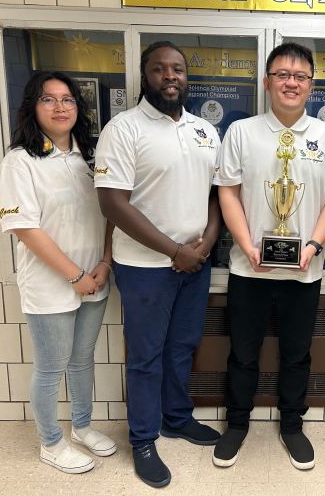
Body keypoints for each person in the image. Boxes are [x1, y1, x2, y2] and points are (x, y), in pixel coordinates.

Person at [212, 42, 325, 470]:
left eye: (300, 76)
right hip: (248, 268)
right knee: (242, 351)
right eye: (282, 75)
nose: (291, 82)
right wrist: (247, 246)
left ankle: (292, 425)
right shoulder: (241, 131)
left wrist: (312, 245)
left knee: (297, 353)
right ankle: (236, 423)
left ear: (311, 84)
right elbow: (228, 192)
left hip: (304, 273)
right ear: (267, 81)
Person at [94, 41, 222, 488]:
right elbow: (113, 203)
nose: (170, 76)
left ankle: (176, 418)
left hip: (196, 264)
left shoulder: (206, 131)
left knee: (182, 347)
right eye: (159, 69)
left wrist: (205, 243)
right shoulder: (124, 129)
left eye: (178, 69)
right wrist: (175, 251)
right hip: (146, 267)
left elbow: (216, 195)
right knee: (146, 357)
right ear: (144, 77)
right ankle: (144, 438)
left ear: (188, 77)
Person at [0, 71, 116, 474]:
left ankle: (81, 426)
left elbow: (108, 214)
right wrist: (74, 275)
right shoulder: (20, 161)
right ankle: (50, 441)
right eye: (48, 100)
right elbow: (26, 228)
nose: (60, 107)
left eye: (67, 99)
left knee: (82, 360)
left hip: (94, 278)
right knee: (51, 366)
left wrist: (103, 264)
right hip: (51, 284)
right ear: (33, 107)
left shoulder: (89, 157)